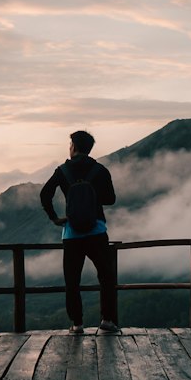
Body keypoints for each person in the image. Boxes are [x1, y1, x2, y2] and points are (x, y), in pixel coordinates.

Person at [40, 130, 120, 334]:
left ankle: (77, 324)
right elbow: (111, 199)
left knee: (72, 280)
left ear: (73, 146)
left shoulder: (62, 171)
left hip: (72, 234)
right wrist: (92, 199)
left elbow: (45, 194)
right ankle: (107, 321)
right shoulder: (100, 170)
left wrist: (55, 218)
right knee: (106, 277)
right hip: (97, 231)